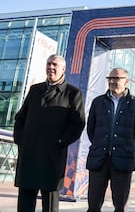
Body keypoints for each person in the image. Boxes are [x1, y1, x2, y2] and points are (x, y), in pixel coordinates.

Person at [13, 54, 86, 212]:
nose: (51, 67)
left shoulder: (73, 94)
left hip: (52, 157)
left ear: (63, 69)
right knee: (25, 202)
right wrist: (21, 140)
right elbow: (20, 118)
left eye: (55, 65)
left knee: (50, 204)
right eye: (48, 64)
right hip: (29, 155)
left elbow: (77, 125)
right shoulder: (35, 90)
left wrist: (59, 143)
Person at [86, 68, 135, 212]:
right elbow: (91, 129)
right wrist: (100, 145)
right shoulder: (98, 102)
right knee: (93, 205)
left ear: (127, 81)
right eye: (110, 78)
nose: (112, 81)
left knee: (120, 206)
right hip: (99, 159)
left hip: (123, 160)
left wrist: (128, 148)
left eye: (117, 78)